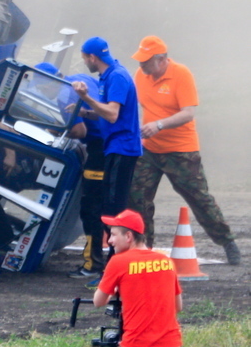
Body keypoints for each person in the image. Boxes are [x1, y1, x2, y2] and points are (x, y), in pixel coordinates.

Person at [128, 36, 240, 265]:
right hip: (149, 150)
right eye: (140, 61)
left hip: (181, 150)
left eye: (146, 62)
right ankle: (144, 247)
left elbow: (188, 113)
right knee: (137, 197)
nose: (142, 66)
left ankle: (227, 241)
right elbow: (133, 104)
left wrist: (158, 125)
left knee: (199, 198)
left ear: (161, 60)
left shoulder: (181, 74)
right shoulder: (141, 76)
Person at [70, 37, 142, 286]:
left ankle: (116, 272)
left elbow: (112, 114)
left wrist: (85, 97)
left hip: (124, 149)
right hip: (115, 147)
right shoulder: (109, 75)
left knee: (115, 210)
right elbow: (109, 114)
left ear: (91, 57)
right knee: (110, 209)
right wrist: (86, 113)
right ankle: (113, 270)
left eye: (84, 58)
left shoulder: (117, 77)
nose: (85, 63)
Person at [35, 62, 106, 280]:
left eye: (42, 88)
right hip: (113, 147)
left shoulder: (65, 95)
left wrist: (55, 132)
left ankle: (94, 263)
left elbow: (79, 129)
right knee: (110, 205)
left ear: (49, 83)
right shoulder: (81, 78)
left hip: (99, 151)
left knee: (91, 208)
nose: (41, 92)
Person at [93, 209, 182, 347]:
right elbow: (178, 306)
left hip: (137, 342)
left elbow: (98, 302)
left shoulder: (118, 261)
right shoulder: (166, 260)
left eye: (113, 235)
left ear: (128, 236)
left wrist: (113, 291)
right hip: (171, 341)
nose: (110, 241)